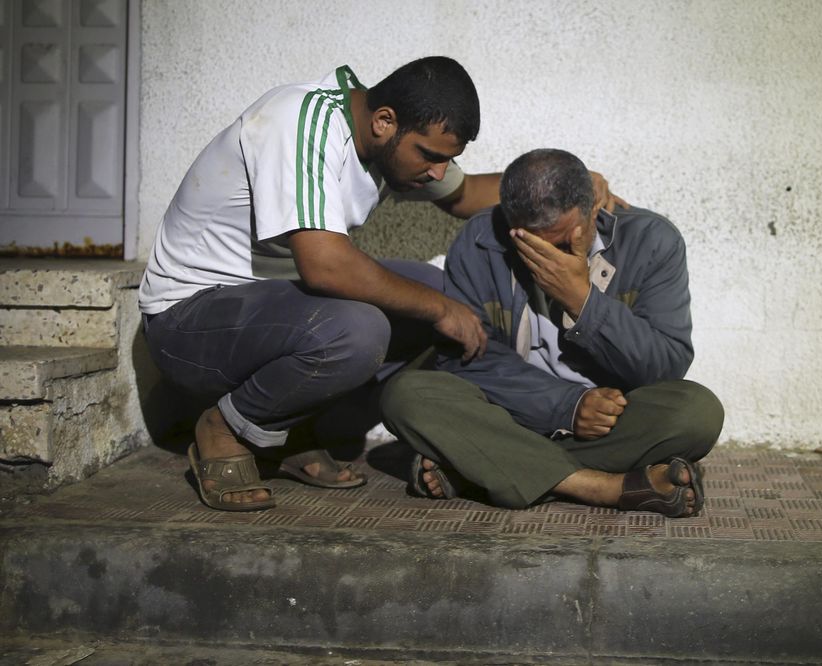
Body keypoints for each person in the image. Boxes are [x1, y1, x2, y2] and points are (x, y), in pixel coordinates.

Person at [139, 57, 619, 512]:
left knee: (440, 293)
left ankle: (288, 433)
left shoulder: (391, 141)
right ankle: (223, 428)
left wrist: (572, 183)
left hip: (266, 313)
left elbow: (467, 194)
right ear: (384, 121)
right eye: (429, 156)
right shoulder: (300, 122)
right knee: (363, 327)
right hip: (188, 323)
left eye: (443, 159)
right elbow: (325, 267)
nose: (436, 171)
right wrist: (437, 309)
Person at [381, 148, 724, 518]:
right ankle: (604, 487)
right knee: (406, 395)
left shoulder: (651, 241)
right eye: (530, 244)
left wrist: (582, 300)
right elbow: (466, 359)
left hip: (608, 420)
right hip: (511, 413)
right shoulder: (479, 241)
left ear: (593, 207)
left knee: (696, 413)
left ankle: (478, 466)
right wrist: (567, 406)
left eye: (562, 243)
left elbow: (665, 364)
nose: (549, 258)